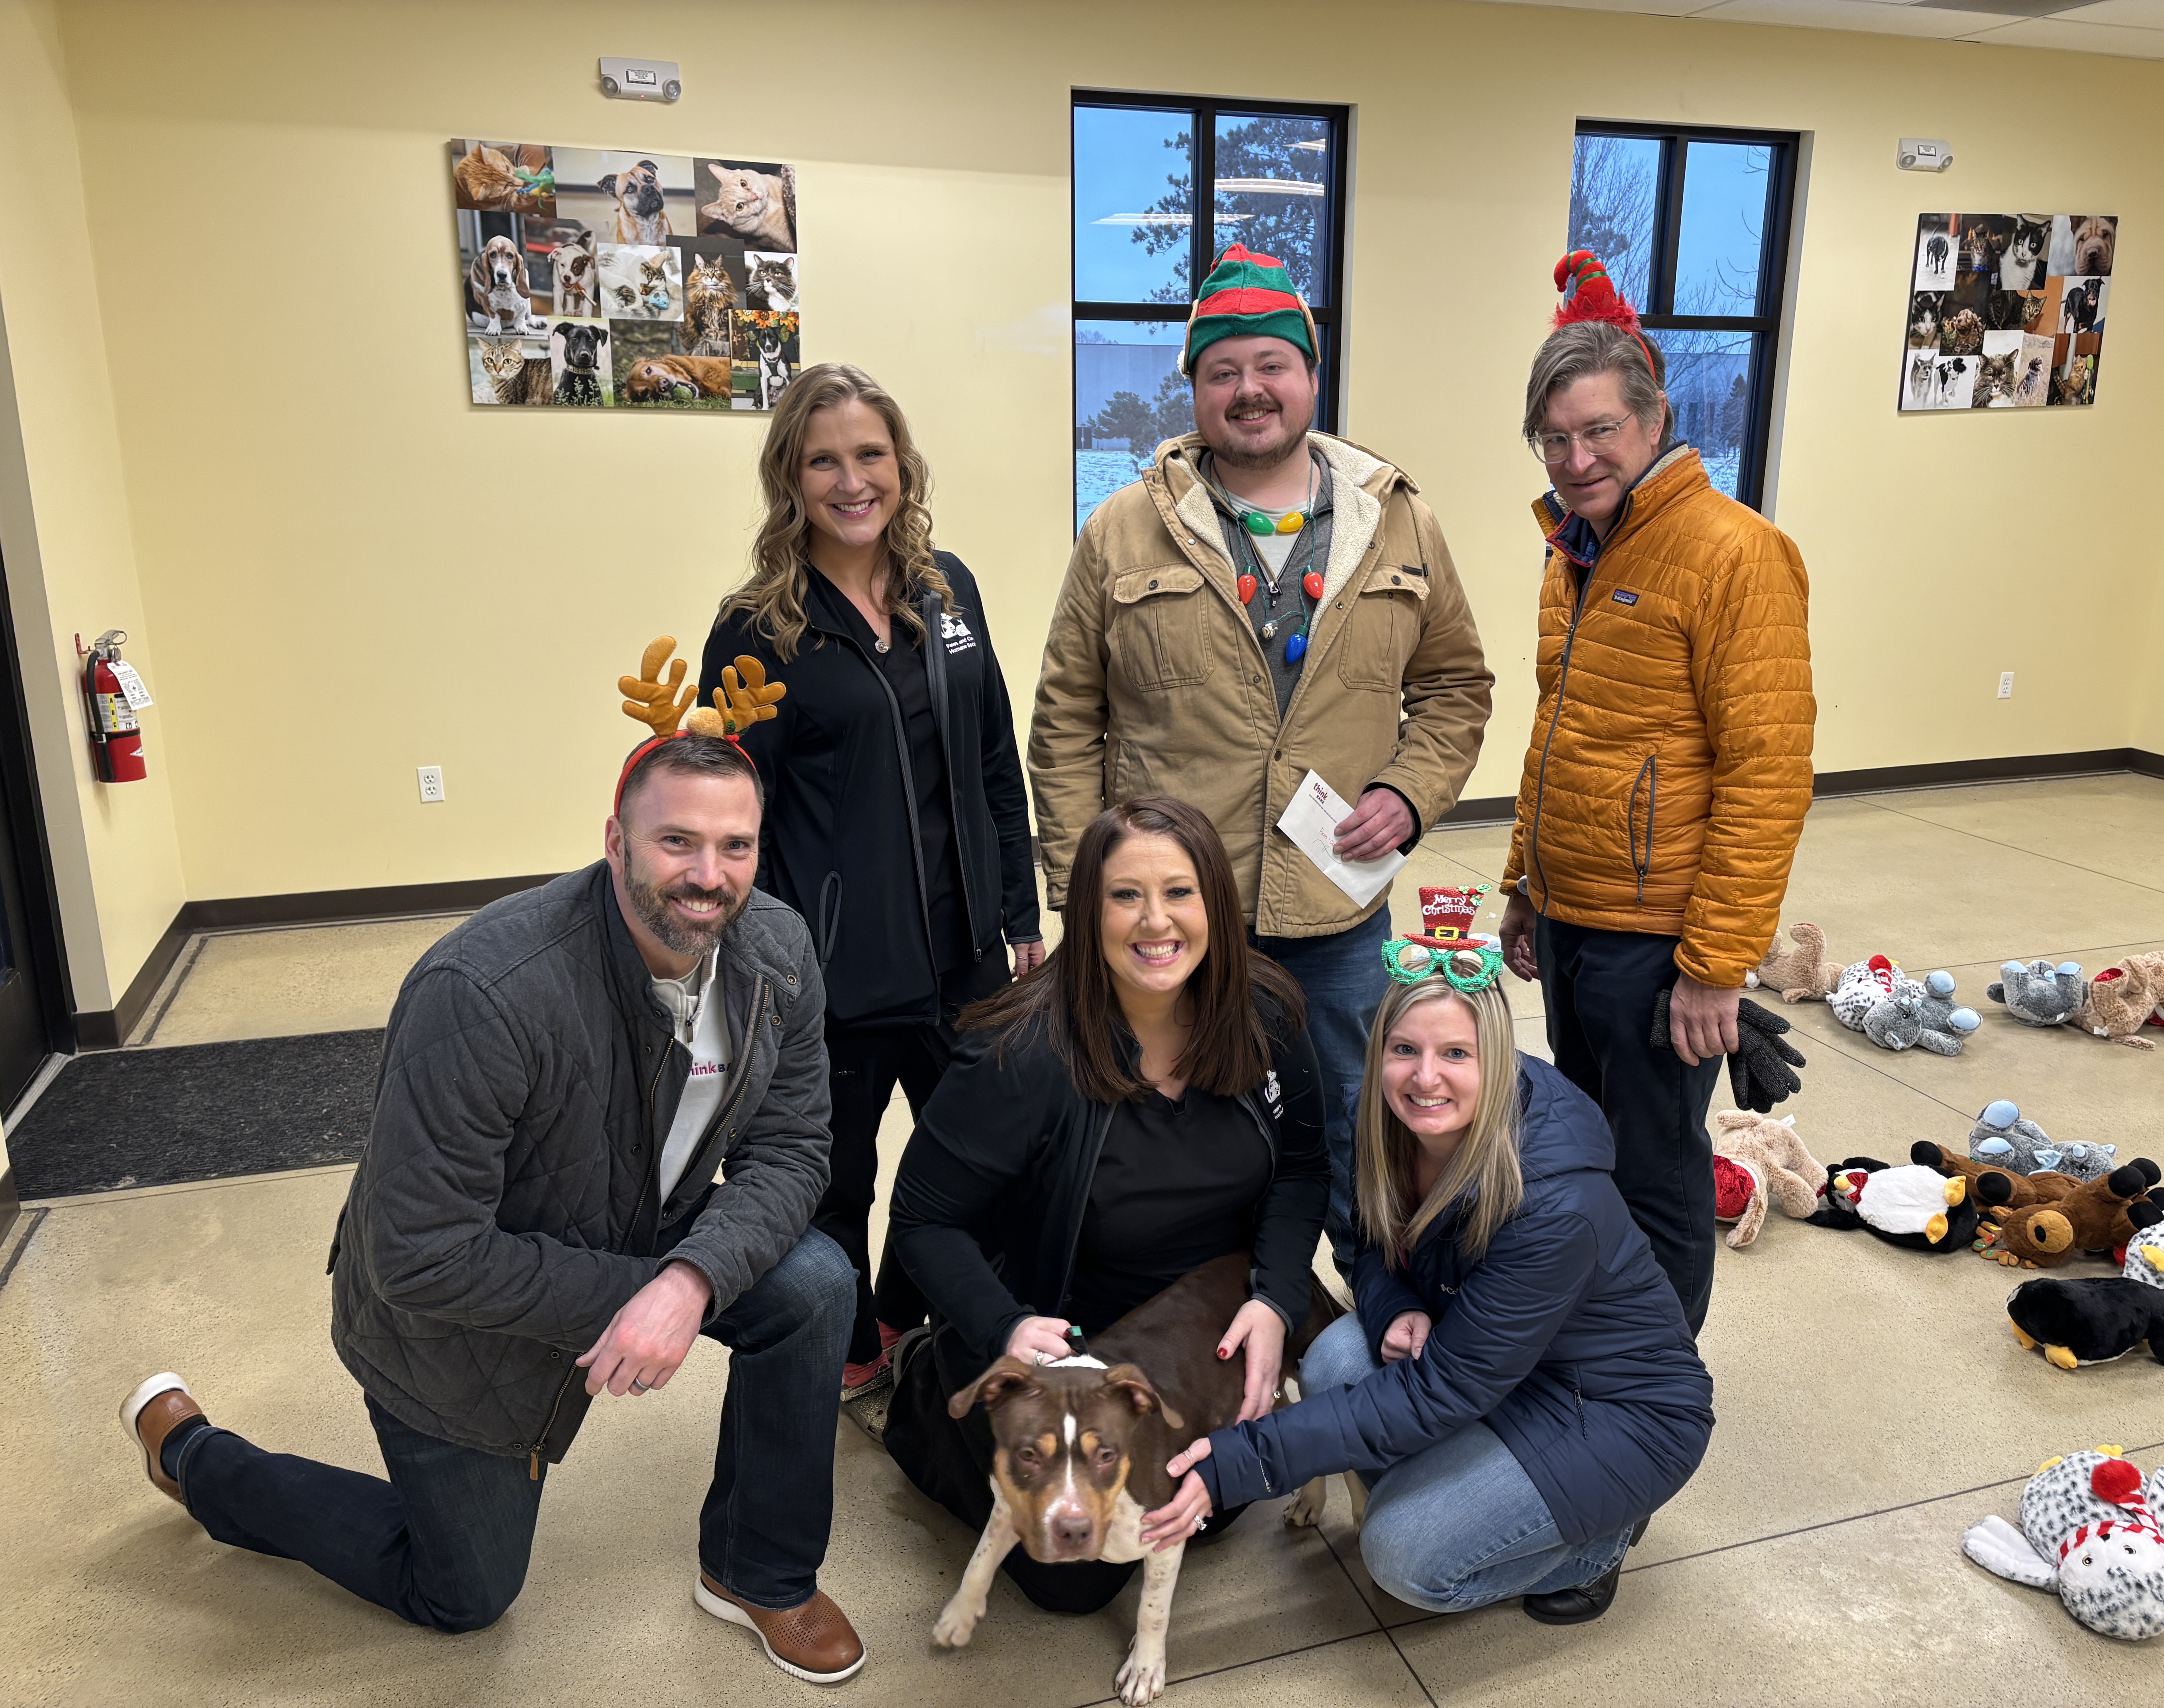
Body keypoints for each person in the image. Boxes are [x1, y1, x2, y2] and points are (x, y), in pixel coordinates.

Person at [118, 732, 868, 1683]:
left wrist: (688, 1281)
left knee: (816, 1283)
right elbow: (419, 1252)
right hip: (458, 1312)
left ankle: (758, 1574)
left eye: (737, 847)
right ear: (616, 842)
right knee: (464, 1597)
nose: (709, 877)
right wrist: (637, 1294)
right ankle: (195, 1456)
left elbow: (795, 1148)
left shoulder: (777, 948)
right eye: (677, 842)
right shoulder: (484, 988)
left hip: (645, 1221)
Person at [1030, 244, 1493, 1276]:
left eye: (1271, 365)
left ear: (1311, 376)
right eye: (1223, 370)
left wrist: (1407, 795)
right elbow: (1067, 718)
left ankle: (1376, 1321)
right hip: (1173, 913)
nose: (1250, 390)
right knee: (1175, 1129)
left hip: (1335, 909)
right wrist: (1078, 887)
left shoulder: (1397, 521)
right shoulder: (1123, 531)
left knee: (1354, 1130)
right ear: (1193, 388)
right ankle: (1196, 1325)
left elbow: (1459, 686)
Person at [1139, 891, 1712, 1625]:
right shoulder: (1381, 1121)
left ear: (1497, 1061)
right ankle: (1487, 1491)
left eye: (1455, 1054)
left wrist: (1234, 1465)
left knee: (1404, 1558)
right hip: (1497, 1362)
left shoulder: (1553, 1205)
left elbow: (1439, 1392)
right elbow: (1372, 1246)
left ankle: (1600, 1541)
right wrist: (1395, 1303)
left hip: (1613, 1410)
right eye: (1404, 1049)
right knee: (1339, 1360)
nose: (1423, 1078)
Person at [881, 796, 1328, 1614]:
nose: (1155, 922)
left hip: (1201, 1325)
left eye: (1180, 892)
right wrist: (1003, 1328)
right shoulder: (1017, 1053)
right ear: (1086, 911)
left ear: (1217, 906)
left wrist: (1276, 1300)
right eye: (1125, 895)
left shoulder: (1266, 1012)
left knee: (1210, 1513)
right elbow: (922, 1220)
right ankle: (920, 1395)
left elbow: (1303, 1170)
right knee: (1072, 1581)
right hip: (1061, 1333)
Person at [703, 363, 1044, 1413]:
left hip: (967, 960)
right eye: (825, 460)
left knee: (979, 1163)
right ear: (791, 479)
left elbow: (994, 759)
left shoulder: (951, 591)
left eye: (871, 455)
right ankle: (848, 1343)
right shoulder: (760, 628)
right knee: (838, 1180)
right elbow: (735, 815)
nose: (853, 480)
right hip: (835, 975)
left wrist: (1021, 912)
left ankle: (909, 1309)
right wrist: (755, 962)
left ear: (902, 465)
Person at [1495, 251, 1814, 1335]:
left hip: (1661, 938)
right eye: (1555, 438)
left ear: (1654, 417)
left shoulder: (1738, 554)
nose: (1577, 457)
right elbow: (1561, 733)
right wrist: (1525, 885)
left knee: (1657, 1174)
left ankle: (1650, 1398)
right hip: (1578, 912)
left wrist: (1716, 962)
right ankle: (1592, 1345)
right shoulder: (1575, 549)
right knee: (1582, 1150)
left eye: (1599, 432)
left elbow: (1768, 775)